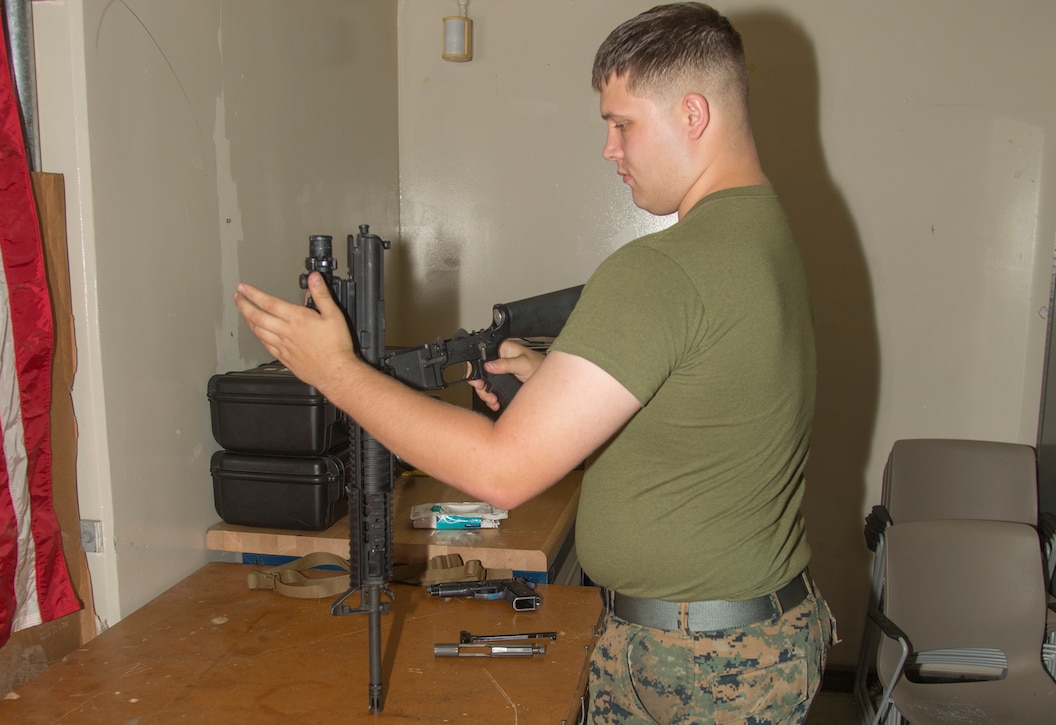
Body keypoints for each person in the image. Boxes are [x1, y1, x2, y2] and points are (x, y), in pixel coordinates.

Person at [235, 3, 837, 722]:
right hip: (754, 640)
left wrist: (334, 370)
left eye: (622, 124)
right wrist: (559, 383)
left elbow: (500, 472)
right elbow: (710, 398)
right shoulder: (764, 235)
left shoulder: (666, 268)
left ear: (693, 115)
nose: (609, 149)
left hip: (694, 669)